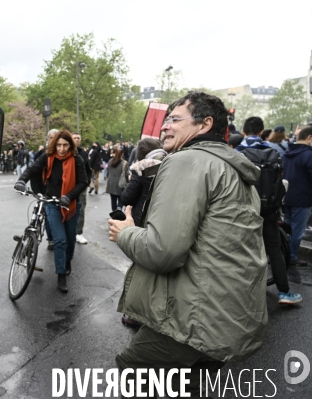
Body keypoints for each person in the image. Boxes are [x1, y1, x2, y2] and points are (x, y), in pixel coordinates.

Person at [109, 92, 268, 396]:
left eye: (175, 119)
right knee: (191, 384)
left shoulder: (187, 161)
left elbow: (162, 251)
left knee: (133, 368)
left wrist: (126, 232)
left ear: (205, 124)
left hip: (196, 318)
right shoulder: (234, 167)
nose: (165, 127)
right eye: (166, 120)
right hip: (232, 314)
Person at [236, 116, 301, 305]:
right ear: (263, 130)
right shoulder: (273, 150)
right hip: (268, 209)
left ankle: (243, 293)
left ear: (243, 132)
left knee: (240, 250)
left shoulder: (236, 151)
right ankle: (284, 292)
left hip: (244, 209)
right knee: (274, 249)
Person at [14, 130, 88, 293]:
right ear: (54, 144)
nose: (61, 149)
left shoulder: (77, 160)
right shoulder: (47, 157)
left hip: (70, 205)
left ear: (70, 145)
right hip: (52, 203)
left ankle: (67, 261)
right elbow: (32, 169)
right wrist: (21, 180)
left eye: (65, 145)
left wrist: (69, 196)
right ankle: (61, 275)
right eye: (59, 145)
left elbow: (83, 182)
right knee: (60, 240)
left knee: (69, 241)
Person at [283, 125, 312, 267]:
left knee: (287, 228)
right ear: (309, 138)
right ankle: (292, 256)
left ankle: (284, 254)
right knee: (297, 231)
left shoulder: (287, 152)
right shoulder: (308, 155)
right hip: (303, 198)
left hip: (287, 196)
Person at [120, 139, 166, 227]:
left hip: (141, 218)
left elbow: (126, 198)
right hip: (161, 218)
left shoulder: (141, 169)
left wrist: (131, 181)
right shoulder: (168, 165)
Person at [72, 132, 90, 245]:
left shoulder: (84, 153)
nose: (77, 140)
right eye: (75, 138)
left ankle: (78, 232)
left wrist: (86, 182)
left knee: (81, 209)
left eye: (79, 138)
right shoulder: (67, 152)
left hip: (82, 186)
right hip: (69, 186)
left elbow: (88, 169)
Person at [104, 146, 127, 211]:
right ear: (122, 154)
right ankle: (119, 208)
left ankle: (114, 212)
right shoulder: (124, 163)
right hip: (120, 183)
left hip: (111, 182)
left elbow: (108, 171)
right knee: (121, 198)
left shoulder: (110, 161)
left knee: (113, 199)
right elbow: (126, 174)